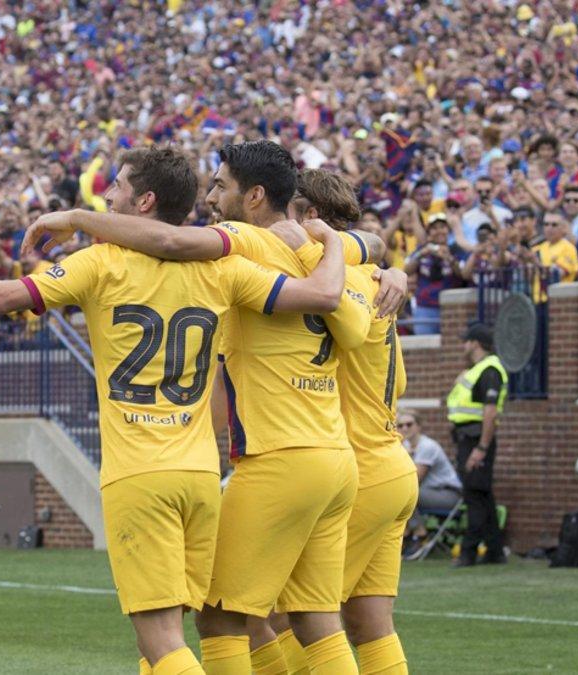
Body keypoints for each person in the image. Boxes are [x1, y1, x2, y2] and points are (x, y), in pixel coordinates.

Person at [0, 144, 352, 674]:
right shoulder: (226, 271)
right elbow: (314, 295)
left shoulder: (101, 263)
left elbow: (6, 299)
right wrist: (352, 247)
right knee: (193, 630)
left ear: (144, 201)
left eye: (115, 187)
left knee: (164, 639)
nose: (106, 196)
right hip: (199, 475)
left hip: (140, 473)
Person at [20, 141, 394, 673]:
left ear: (256, 195)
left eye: (220, 186)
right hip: (336, 457)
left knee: (217, 619)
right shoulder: (326, 250)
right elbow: (370, 253)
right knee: (316, 617)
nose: (211, 197)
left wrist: (79, 217)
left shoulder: (244, 242)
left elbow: (169, 239)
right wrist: (356, 249)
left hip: (277, 455)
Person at [273, 168, 418, 675]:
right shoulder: (371, 276)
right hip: (392, 466)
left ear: (310, 217)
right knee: (368, 621)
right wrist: (386, 264)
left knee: (290, 618)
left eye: (286, 209)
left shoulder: (328, 273)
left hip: (361, 470)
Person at [447, 324, 508, 567]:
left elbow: (490, 413)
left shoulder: (489, 370)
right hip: (469, 437)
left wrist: (481, 448)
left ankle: (468, 552)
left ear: (475, 343)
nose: (464, 345)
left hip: (476, 439)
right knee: (483, 494)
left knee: (473, 495)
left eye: (466, 341)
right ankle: (495, 551)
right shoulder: (477, 370)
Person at [397, 410, 462, 555]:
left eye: (409, 424)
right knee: (399, 492)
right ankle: (409, 533)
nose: (405, 429)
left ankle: (418, 533)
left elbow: (415, 478)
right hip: (426, 492)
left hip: (449, 495)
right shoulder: (404, 446)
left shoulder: (427, 446)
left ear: (419, 426)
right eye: (400, 426)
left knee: (405, 493)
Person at [404, 214, 465, 335]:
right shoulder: (422, 250)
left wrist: (449, 258)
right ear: (429, 232)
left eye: (442, 227)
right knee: (424, 346)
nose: (439, 231)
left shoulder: (455, 250)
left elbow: (463, 274)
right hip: (425, 307)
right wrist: (422, 253)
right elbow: (407, 270)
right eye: (434, 228)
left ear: (448, 230)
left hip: (451, 308)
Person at [533, 214, 578, 283]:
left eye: (554, 225)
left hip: (559, 293)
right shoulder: (538, 248)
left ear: (563, 228)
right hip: (538, 293)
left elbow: (558, 274)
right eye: (546, 224)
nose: (549, 228)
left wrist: (536, 263)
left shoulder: (568, 248)